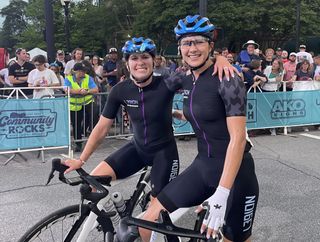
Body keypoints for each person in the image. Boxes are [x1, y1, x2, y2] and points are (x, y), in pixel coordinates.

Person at [139, 15, 259, 242]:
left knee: (234, 240)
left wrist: (222, 194)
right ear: (180, 47)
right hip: (203, 166)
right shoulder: (183, 76)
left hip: (235, 174)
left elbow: (238, 139)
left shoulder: (228, 78)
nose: (192, 48)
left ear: (210, 46)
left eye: (198, 42)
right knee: (147, 223)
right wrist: (177, 113)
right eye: (186, 43)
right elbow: (155, 90)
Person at [63, 37, 181, 208]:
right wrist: (81, 160)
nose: (140, 62)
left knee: (151, 219)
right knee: (91, 187)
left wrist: (220, 60)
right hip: (137, 149)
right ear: (127, 63)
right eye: (134, 58)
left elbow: (201, 75)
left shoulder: (167, 83)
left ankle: (149, 219)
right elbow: (102, 128)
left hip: (164, 154)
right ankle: (116, 219)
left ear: (153, 60)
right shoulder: (120, 90)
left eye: (145, 57)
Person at [64, 62, 99, 152]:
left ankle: (92, 138)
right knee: (76, 124)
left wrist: (86, 91)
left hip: (87, 102)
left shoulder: (88, 78)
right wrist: (78, 91)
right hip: (74, 105)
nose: (84, 73)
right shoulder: (68, 79)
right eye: (81, 71)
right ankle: (78, 144)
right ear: (75, 71)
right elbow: (67, 90)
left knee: (94, 115)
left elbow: (95, 89)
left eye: (84, 71)